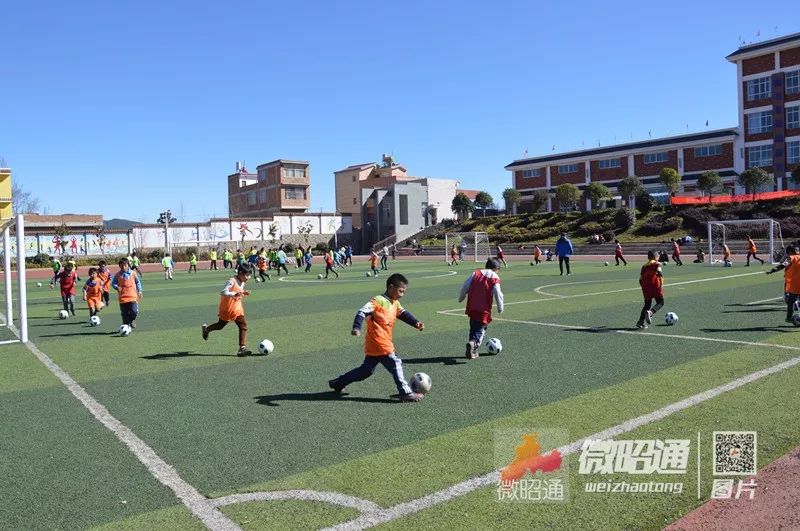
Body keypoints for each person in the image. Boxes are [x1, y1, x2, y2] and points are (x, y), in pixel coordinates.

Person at [328, 273, 424, 402]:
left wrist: (416, 323)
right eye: (400, 291)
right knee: (395, 363)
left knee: (365, 371)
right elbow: (362, 311)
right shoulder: (378, 300)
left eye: (404, 292)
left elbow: (403, 314)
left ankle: (338, 383)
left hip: (374, 344)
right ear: (391, 287)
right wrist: (356, 327)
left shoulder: (395, 303)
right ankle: (405, 392)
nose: (402, 294)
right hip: (380, 341)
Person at [202, 264, 253, 356]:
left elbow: (239, 291)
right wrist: (234, 293)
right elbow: (223, 292)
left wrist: (243, 293)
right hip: (227, 308)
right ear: (240, 273)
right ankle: (207, 329)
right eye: (247, 275)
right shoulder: (231, 281)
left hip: (237, 308)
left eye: (249, 275)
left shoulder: (242, 281)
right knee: (220, 325)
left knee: (243, 326)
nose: (248, 278)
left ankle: (242, 349)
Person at [458, 258, 504, 359]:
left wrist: (461, 298)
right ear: (496, 268)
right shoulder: (494, 277)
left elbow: (465, 285)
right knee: (481, 329)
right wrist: (500, 308)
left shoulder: (476, 273)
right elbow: (498, 293)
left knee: (473, 327)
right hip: (484, 309)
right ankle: (474, 344)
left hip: (471, 306)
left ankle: (472, 349)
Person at [767, 245, 800, 323]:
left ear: (789, 252)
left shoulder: (792, 257)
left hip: (795, 283)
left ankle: (789, 317)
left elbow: (784, 264)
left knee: (791, 301)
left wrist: (774, 270)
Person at [636, 251, 664, 329]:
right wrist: (661, 284)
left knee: (647, 305)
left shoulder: (644, 266)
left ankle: (640, 322)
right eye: (658, 256)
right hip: (655, 285)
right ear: (655, 257)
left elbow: (640, 279)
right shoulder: (657, 264)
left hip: (645, 286)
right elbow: (660, 274)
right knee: (660, 302)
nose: (659, 258)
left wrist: (643, 287)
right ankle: (651, 312)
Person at [111, 257, 142, 329]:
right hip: (122, 298)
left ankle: (132, 320)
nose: (123, 267)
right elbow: (113, 283)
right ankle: (126, 327)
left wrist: (140, 291)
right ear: (119, 266)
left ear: (128, 265)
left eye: (125, 265)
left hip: (132, 297)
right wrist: (116, 287)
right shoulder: (118, 275)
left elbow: (138, 282)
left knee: (134, 311)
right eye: (121, 266)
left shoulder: (133, 273)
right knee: (124, 315)